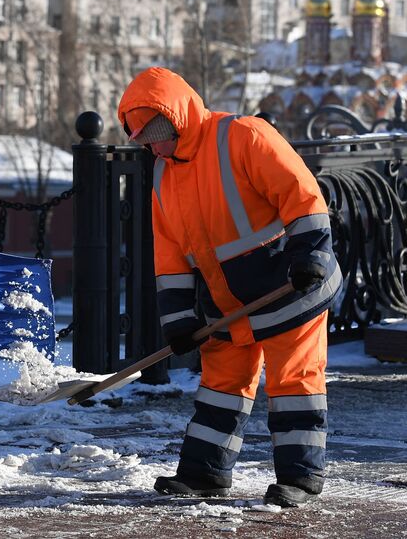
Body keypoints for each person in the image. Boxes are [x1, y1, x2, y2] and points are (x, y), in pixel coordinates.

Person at [117, 67, 341, 508]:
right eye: (144, 140)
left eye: (156, 134)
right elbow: (171, 256)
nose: (153, 147)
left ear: (175, 118)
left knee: (294, 383)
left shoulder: (243, 136)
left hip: (291, 288)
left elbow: (303, 197)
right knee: (220, 385)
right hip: (227, 303)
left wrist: (310, 256)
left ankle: (299, 479)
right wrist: (179, 319)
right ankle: (204, 474)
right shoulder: (164, 175)